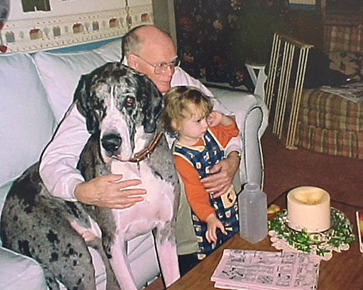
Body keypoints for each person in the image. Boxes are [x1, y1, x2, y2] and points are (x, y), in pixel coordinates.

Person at [39, 24, 242, 274]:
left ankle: (234, 238)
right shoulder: (101, 95)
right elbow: (52, 160)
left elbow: (221, 113)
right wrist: (79, 190)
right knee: (182, 174)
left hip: (182, 163)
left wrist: (233, 157)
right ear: (134, 62)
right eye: (161, 65)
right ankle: (192, 266)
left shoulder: (174, 78)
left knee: (215, 160)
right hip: (165, 176)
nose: (170, 72)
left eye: (173, 62)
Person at [161, 86, 240, 273]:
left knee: (232, 239)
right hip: (205, 210)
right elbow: (195, 194)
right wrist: (210, 218)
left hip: (226, 203)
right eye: (198, 120)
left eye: (206, 118)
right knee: (211, 251)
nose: (205, 124)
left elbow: (232, 131)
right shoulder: (180, 158)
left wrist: (222, 119)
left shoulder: (208, 134)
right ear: (176, 124)